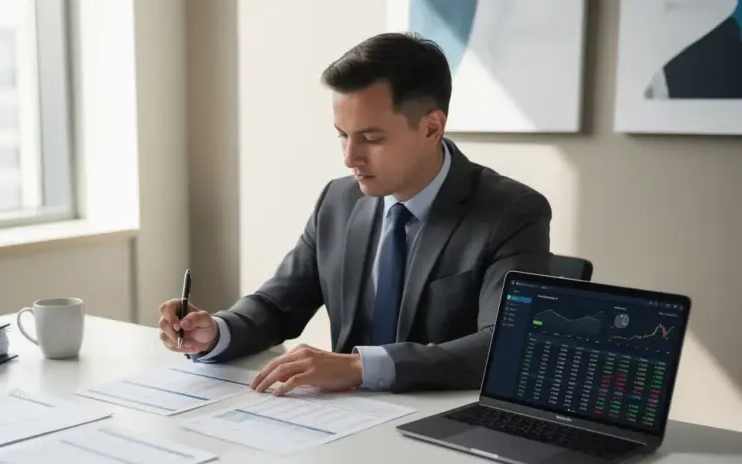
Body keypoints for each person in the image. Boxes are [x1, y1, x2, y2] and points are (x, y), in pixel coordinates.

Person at [158, 32, 552, 395]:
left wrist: (363, 366)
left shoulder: (512, 213)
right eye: (343, 135)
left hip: (443, 426)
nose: (350, 158)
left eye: (370, 138)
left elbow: (505, 344)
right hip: (343, 423)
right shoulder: (337, 200)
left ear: (432, 128)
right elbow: (278, 305)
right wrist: (216, 332)